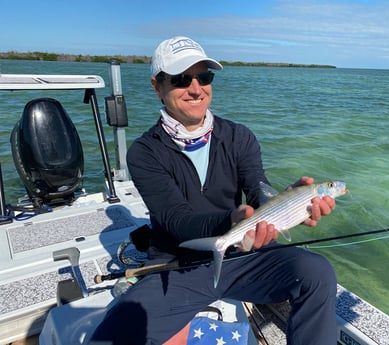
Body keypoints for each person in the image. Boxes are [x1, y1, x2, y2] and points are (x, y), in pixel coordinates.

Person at [88, 36, 337, 345]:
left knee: (317, 273)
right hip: (179, 265)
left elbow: (257, 189)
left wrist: (288, 204)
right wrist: (231, 221)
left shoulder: (239, 137)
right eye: (181, 79)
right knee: (112, 336)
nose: (196, 88)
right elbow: (176, 220)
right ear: (157, 86)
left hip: (242, 257)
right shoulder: (144, 153)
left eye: (204, 76)